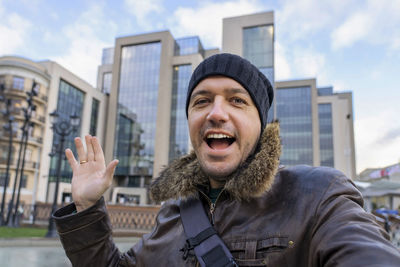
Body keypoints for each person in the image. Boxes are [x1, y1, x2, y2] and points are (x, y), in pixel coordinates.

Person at [53, 53, 400, 266]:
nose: (216, 113)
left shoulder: (317, 196)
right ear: (189, 122)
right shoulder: (172, 213)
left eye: (236, 100)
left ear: (260, 125)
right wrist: (87, 206)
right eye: (201, 101)